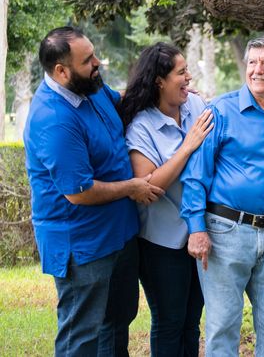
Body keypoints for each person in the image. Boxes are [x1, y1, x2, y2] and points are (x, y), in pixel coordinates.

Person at [23, 26, 164, 356]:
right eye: (88, 60)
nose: (98, 62)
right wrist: (132, 187)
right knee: (82, 333)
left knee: (118, 320)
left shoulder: (92, 88)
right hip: (82, 245)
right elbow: (79, 192)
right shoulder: (54, 119)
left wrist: (173, 91)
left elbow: (126, 102)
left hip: (119, 232)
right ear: (62, 71)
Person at [179, 34, 264, 356]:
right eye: (252, 62)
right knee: (222, 325)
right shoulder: (220, 111)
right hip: (225, 232)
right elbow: (196, 174)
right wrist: (196, 228)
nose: (257, 70)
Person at [118, 42, 213, 356]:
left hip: (199, 233)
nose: (188, 77)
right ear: (159, 80)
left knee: (191, 322)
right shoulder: (141, 127)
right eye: (181, 72)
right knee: (169, 321)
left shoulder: (195, 107)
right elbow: (149, 188)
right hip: (161, 242)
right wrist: (187, 146)